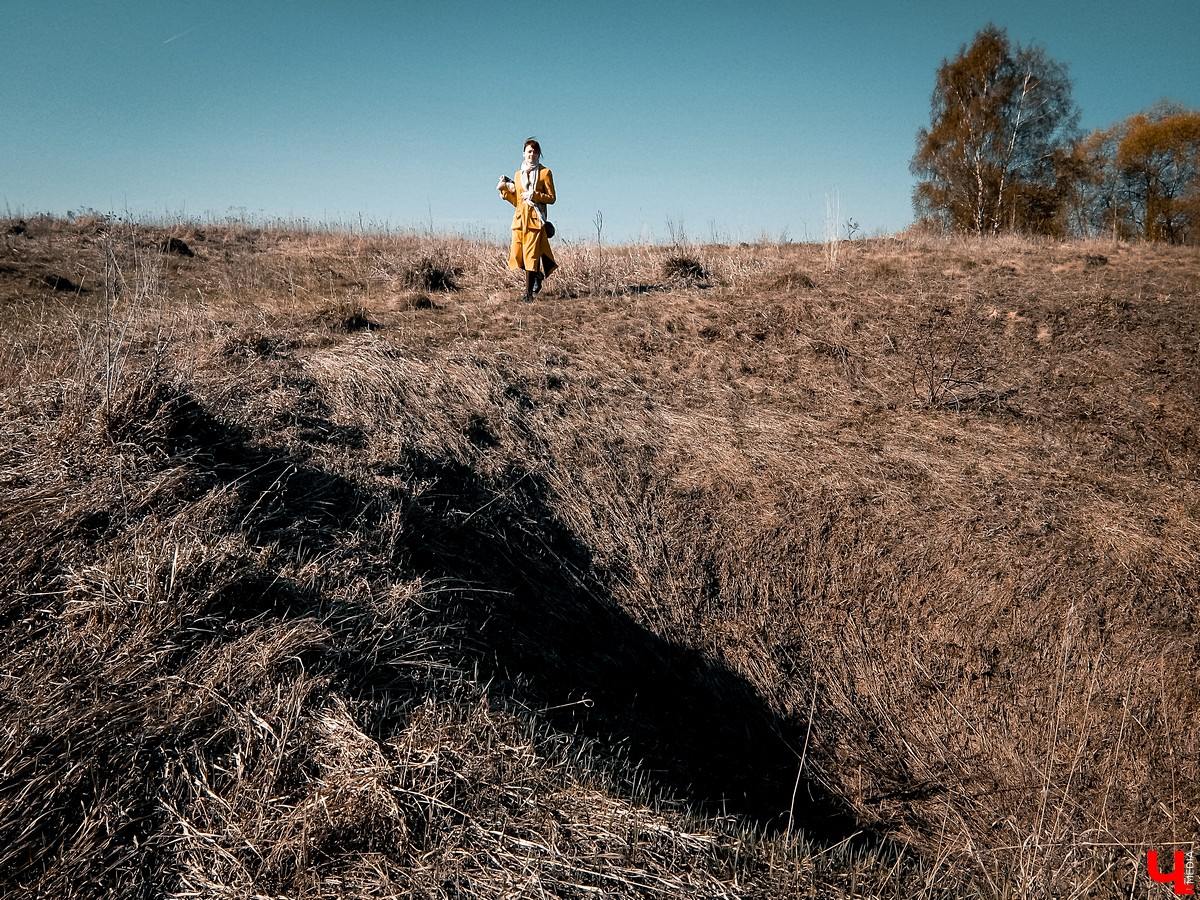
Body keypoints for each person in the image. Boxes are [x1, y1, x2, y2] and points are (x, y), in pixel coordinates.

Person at [497, 137, 557, 301]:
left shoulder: (545, 173)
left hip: (535, 221)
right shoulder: (517, 175)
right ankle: (537, 275)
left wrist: (535, 194)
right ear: (523, 153)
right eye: (529, 151)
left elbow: (552, 198)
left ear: (539, 154)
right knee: (517, 257)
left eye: (536, 151)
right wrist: (504, 191)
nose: (532, 154)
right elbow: (517, 201)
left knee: (531, 256)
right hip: (518, 220)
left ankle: (528, 294)